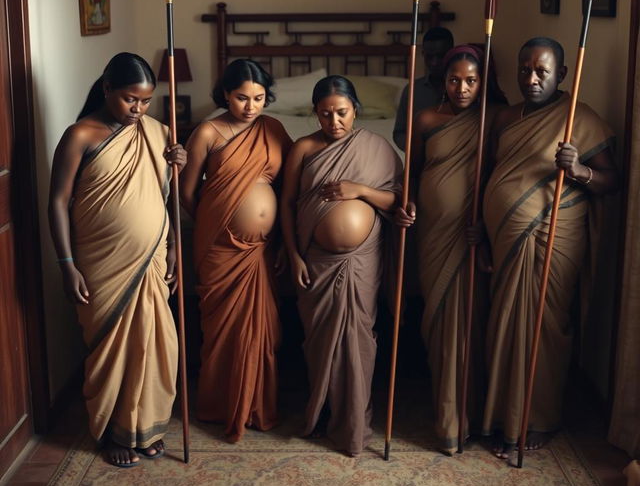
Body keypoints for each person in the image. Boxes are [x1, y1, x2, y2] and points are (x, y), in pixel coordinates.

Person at [481, 37, 618, 458]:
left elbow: (613, 181)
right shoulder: (505, 118)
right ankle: (503, 416)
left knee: (545, 324)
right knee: (503, 321)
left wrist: (578, 170)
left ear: (562, 74)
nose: (532, 79)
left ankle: (539, 419)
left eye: (542, 71)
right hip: (505, 238)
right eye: (525, 70)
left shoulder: (582, 118)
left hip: (554, 234)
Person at [48, 53, 186, 468]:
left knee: (158, 342)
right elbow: (57, 200)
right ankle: (112, 432)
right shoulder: (80, 135)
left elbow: (165, 198)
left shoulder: (158, 132)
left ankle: (146, 428)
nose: (138, 110)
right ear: (107, 89)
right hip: (100, 262)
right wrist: (67, 264)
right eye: (130, 100)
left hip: (152, 258)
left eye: (145, 102)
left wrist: (175, 240)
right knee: (109, 347)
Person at [280, 75, 402, 456]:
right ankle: (323, 412)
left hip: (361, 260)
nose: (335, 122)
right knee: (319, 341)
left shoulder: (378, 147)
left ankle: (353, 422)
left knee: (359, 336)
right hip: (315, 260)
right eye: (325, 114)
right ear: (314, 113)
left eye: (343, 113)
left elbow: (396, 202)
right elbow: (287, 204)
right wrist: (295, 254)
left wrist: (360, 190)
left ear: (357, 110)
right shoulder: (302, 148)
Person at [395, 45, 508, 454]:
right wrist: (405, 203)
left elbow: (502, 174)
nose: (462, 88)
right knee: (439, 319)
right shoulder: (425, 119)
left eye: (471, 81)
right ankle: (445, 414)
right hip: (432, 233)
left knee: (470, 323)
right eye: (454, 80)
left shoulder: (495, 120)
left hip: (472, 234)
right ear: (442, 82)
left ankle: (468, 416)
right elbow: (413, 169)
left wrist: (488, 225)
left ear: (484, 83)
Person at [180, 59, 292, 443]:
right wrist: (217, 222)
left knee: (265, 331)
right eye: (242, 98)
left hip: (260, 249)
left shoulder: (274, 129)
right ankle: (217, 406)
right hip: (218, 247)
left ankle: (257, 406)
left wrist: (277, 240)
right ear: (225, 94)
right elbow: (187, 191)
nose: (251, 107)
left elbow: (290, 185)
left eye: (259, 98)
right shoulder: (207, 132)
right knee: (221, 330)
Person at [393, 26, 454, 150]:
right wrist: (417, 148)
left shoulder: (463, 89)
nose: (434, 62)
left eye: (440, 56)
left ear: (451, 53)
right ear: (423, 54)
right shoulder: (412, 90)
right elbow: (399, 133)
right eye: (429, 57)